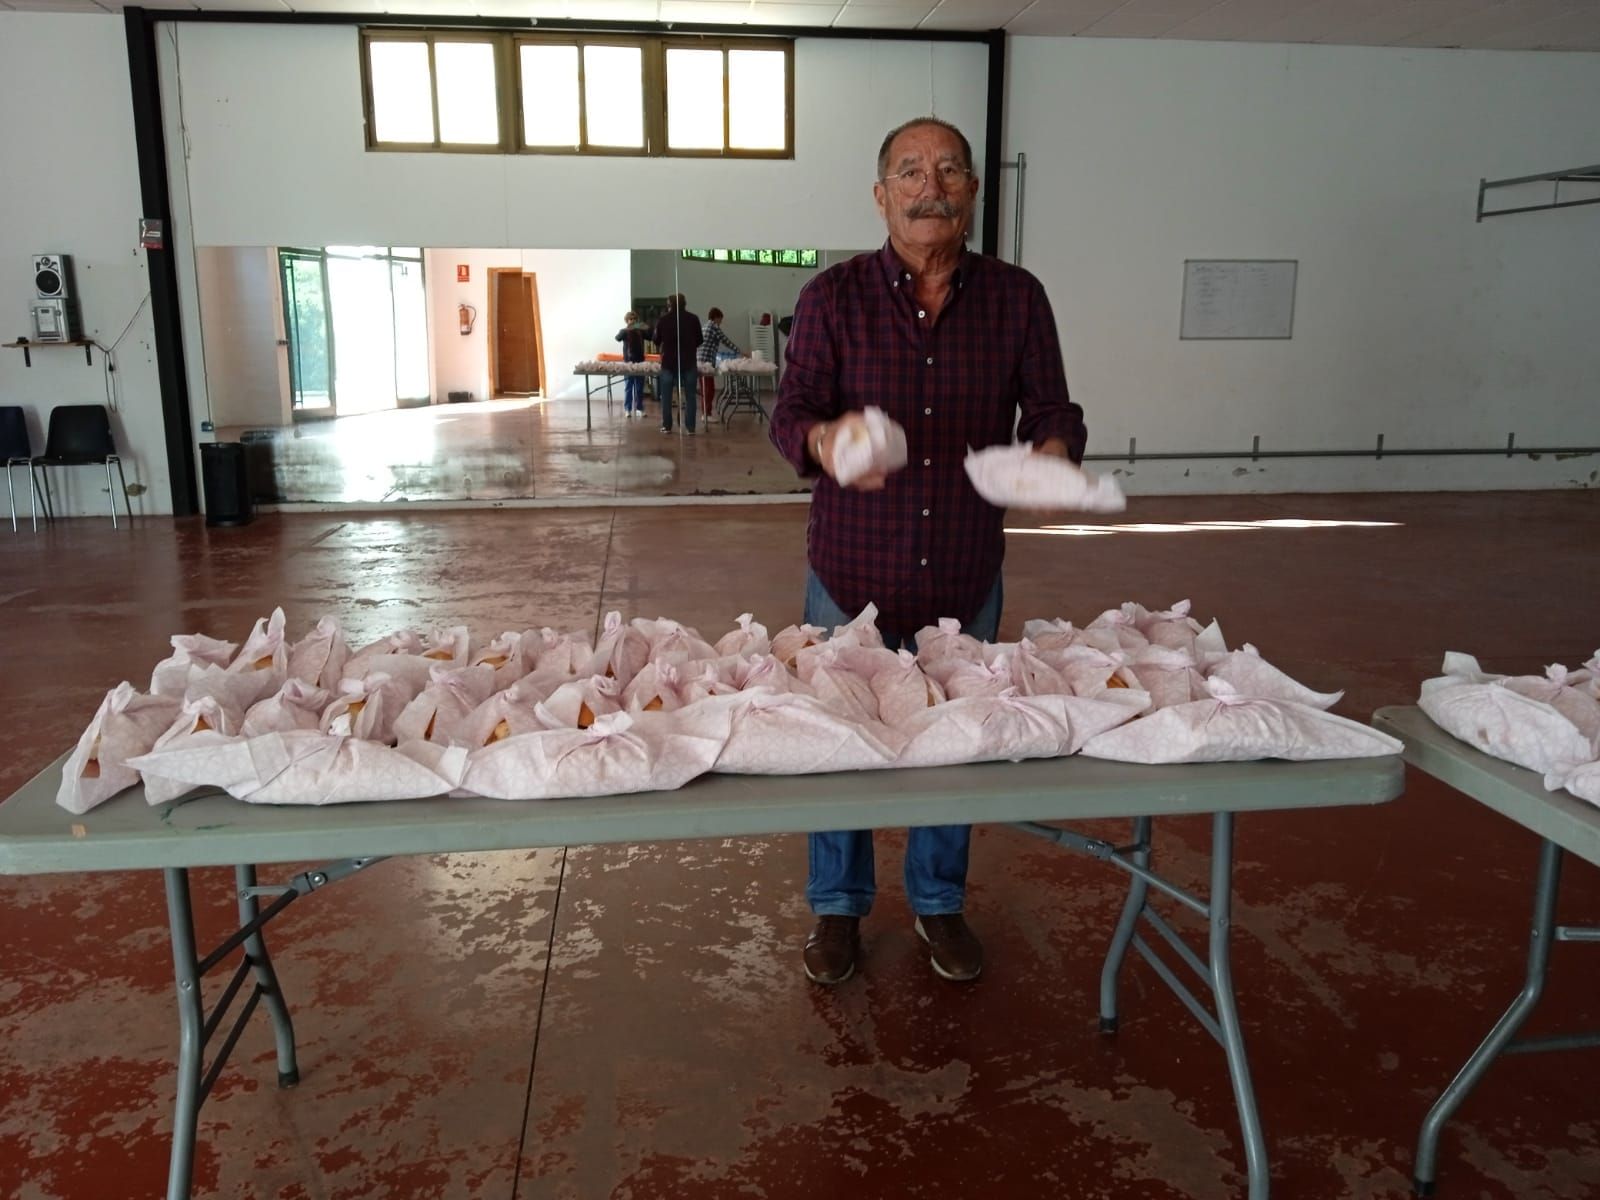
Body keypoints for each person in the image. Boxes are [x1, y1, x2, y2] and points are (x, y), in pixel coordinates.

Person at [768, 116, 1087, 987]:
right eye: (909, 171)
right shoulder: (833, 298)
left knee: (957, 743)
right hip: (850, 574)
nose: (929, 185)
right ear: (881, 197)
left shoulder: (1017, 298)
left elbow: (1052, 409)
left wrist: (1055, 451)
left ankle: (939, 904)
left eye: (949, 169)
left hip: (961, 573)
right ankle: (837, 909)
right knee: (841, 741)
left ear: (974, 192)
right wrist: (825, 440)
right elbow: (789, 411)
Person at [652, 293, 702, 435]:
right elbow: (699, 340)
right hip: (689, 362)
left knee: (666, 397)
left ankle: (667, 426)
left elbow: (656, 340)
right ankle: (690, 428)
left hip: (668, 362)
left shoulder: (663, 320)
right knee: (690, 396)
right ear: (685, 303)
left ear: (669, 305)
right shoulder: (693, 319)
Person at [696, 306, 740, 420]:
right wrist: (740, 351)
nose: (721, 322)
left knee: (705, 388)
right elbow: (726, 341)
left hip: (700, 362)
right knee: (709, 389)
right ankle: (706, 415)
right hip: (707, 363)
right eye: (720, 319)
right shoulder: (714, 327)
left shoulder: (705, 326)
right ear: (716, 318)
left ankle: (705, 413)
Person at [615, 311, 650, 418]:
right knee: (628, 387)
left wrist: (645, 327)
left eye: (634, 319)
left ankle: (640, 408)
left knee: (639, 388)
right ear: (627, 321)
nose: (633, 321)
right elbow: (617, 338)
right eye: (630, 319)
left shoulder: (640, 332)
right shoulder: (624, 331)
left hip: (640, 363)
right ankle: (628, 409)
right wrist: (627, 329)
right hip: (628, 363)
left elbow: (650, 336)